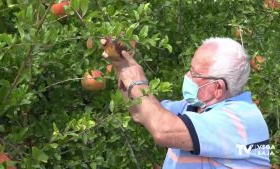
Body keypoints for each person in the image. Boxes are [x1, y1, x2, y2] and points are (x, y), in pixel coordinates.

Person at [103, 37, 271, 168]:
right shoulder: (193, 107)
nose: (187, 76)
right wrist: (121, 66)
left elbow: (163, 131)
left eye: (194, 73)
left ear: (218, 88)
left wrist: (138, 83)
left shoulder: (240, 120)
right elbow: (140, 111)